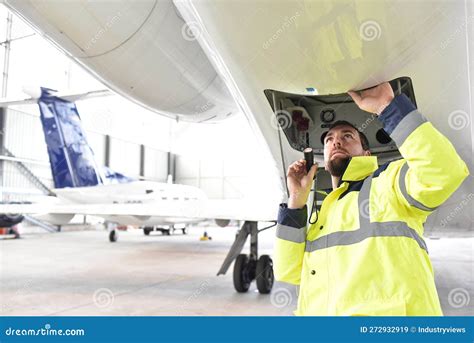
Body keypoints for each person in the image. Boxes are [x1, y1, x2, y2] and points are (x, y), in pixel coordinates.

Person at [274, 82, 469, 316]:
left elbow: (444, 171)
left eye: (348, 136)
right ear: (324, 159)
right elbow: (290, 272)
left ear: (367, 154)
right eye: (329, 140)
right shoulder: (324, 213)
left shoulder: (386, 183)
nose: (336, 141)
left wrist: (388, 107)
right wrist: (296, 201)